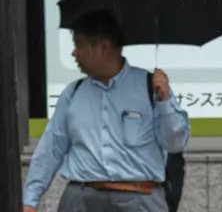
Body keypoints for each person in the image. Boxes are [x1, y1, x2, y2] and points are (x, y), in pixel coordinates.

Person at [23, 11, 190, 212]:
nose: (74, 54)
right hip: (81, 200)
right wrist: (29, 201)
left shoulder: (150, 87)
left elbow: (175, 143)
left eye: (79, 46)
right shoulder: (73, 93)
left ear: (103, 48)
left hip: (140, 199)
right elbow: (50, 149)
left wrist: (165, 101)